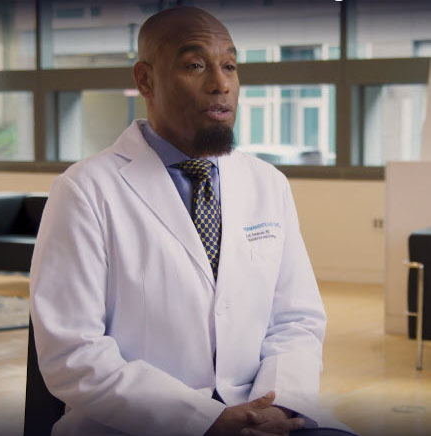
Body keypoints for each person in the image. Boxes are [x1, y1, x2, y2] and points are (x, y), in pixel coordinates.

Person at [30, 6, 352, 436]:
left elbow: (296, 319)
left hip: (264, 413)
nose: (221, 84)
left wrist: (277, 405)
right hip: (138, 424)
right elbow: (73, 352)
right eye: (196, 65)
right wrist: (207, 421)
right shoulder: (85, 190)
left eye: (230, 66)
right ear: (145, 80)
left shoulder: (267, 183)